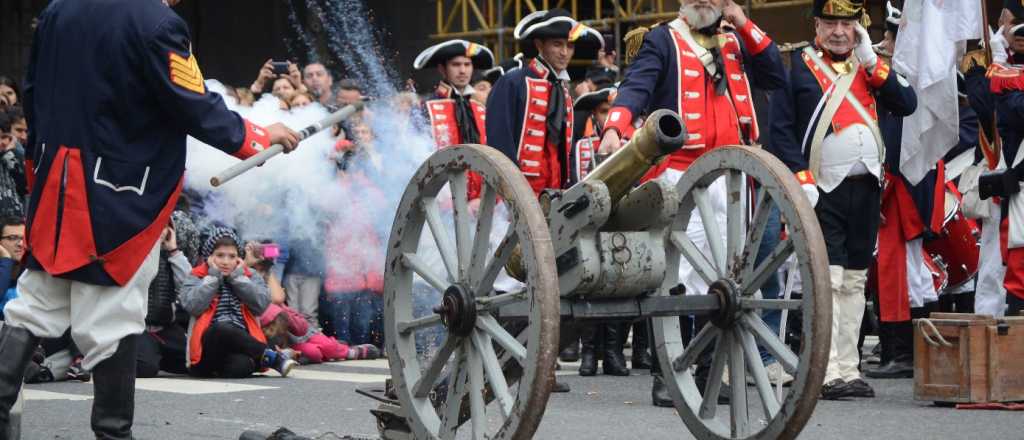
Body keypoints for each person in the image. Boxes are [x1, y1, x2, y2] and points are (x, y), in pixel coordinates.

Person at [0, 0, 300, 437]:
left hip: (55, 189)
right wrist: (254, 135)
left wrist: (37, 173)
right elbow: (192, 102)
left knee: (34, 307)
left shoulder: (58, 10)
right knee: (114, 318)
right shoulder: (156, 23)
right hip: (118, 197)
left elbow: (34, 96)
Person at [603, 0, 786, 406]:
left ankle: (708, 370)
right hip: (680, 172)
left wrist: (743, 22)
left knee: (726, 276)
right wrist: (616, 125)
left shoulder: (736, 39)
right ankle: (667, 373)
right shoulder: (663, 39)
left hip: (732, 174)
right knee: (675, 274)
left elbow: (775, 74)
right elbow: (637, 86)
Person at [768, 0, 916, 400]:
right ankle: (826, 369)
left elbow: (907, 103)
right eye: (831, 22)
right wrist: (801, 177)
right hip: (823, 189)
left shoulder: (867, 67)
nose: (838, 32)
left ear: (858, 28)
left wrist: (871, 60)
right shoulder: (798, 66)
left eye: (847, 24)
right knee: (828, 279)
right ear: (816, 25)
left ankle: (849, 368)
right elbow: (779, 130)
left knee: (855, 279)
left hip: (866, 188)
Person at [487, 8, 604, 393]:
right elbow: (499, 139)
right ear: (539, 45)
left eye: (568, 46)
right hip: (517, 195)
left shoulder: (563, 92)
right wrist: (510, 191)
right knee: (509, 280)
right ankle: (506, 365)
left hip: (551, 200)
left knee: (546, 283)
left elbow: (564, 149)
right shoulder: (513, 82)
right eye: (557, 44)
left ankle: (540, 367)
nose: (564, 53)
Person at [181, 228, 297, 378]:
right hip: (206, 349)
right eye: (220, 255)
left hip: (239, 345)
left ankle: (260, 358)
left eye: (232, 256)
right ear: (209, 257)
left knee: (242, 366)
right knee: (222, 328)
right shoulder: (196, 275)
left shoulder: (249, 275)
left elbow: (261, 305)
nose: (225, 262)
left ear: (239, 258)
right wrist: (213, 277)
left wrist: (237, 278)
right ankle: (273, 358)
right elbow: (192, 306)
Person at [414, 39, 494, 199]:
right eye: (456, 65)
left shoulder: (481, 110)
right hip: (442, 199)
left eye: (467, 64)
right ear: (442, 69)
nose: (463, 70)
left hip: (481, 200)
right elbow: (416, 158)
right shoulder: (426, 108)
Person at [136, 221, 192, 378]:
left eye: (163, 227)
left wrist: (173, 251)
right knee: (146, 368)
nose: (159, 231)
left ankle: (156, 355)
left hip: (166, 326)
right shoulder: (133, 253)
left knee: (194, 363)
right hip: (137, 327)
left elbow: (190, 286)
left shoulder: (172, 257)